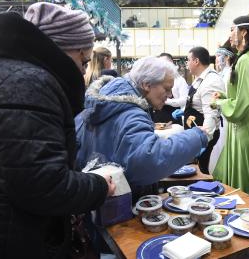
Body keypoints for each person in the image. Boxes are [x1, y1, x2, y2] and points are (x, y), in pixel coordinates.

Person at [0, 2, 115, 258]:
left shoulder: (9, 73)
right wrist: (99, 186)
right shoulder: (29, 84)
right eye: (83, 61)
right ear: (65, 49)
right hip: (17, 241)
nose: (83, 72)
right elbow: (41, 184)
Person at [75, 56, 208, 201]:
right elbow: (148, 160)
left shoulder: (107, 102)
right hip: (118, 202)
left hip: (98, 200)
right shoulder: (131, 113)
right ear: (146, 85)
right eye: (167, 89)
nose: (169, 95)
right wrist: (196, 137)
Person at [212, 16, 249, 199]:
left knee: (242, 188)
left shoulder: (245, 61)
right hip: (238, 127)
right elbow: (240, 97)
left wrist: (220, 103)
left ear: (244, 33)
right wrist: (225, 97)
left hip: (243, 128)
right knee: (236, 183)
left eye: (233, 29)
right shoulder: (242, 59)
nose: (230, 34)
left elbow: (245, 103)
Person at [173, 47, 225, 174]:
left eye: (188, 60)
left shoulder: (211, 81)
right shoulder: (200, 78)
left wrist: (204, 140)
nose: (187, 64)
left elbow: (211, 115)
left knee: (200, 172)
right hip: (195, 132)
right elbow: (197, 102)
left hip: (204, 134)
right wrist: (184, 112)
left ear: (196, 61)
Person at [208, 40, 236, 173]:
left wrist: (218, 101)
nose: (217, 60)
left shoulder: (230, 73)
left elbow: (231, 97)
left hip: (227, 115)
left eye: (219, 56)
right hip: (222, 115)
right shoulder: (222, 73)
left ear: (228, 57)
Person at [151, 53, 188, 124]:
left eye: (165, 63)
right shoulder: (156, 79)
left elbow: (184, 100)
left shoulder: (179, 80)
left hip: (174, 118)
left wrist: (165, 101)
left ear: (171, 64)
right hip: (157, 118)